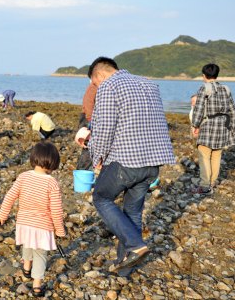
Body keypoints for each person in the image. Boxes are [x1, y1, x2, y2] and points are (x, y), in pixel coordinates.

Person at [88, 57, 175, 276]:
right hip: (153, 162)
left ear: (98, 75)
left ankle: (135, 246)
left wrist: (96, 156)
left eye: (94, 84)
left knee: (101, 197)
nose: (96, 88)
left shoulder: (109, 85)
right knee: (133, 213)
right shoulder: (149, 84)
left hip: (126, 161)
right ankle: (124, 268)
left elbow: (105, 127)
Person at [0, 141, 66, 297]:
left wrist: (2, 215)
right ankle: (36, 286)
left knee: (27, 244)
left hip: (24, 223)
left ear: (34, 158)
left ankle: (26, 268)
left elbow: (10, 196)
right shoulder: (52, 183)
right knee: (40, 255)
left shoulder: (23, 176)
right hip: (42, 226)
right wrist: (60, 230)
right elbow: (56, 211)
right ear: (54, 162)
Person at [190, 63, 235, 195]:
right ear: (217, 74)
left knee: (204, 155)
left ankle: (204, 186)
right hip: (222, 127)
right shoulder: (225, 89)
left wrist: (195, 125)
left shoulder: (204, 88)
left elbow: (198, 109)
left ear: (204, 75)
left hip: (208, 125)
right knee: (216, 156)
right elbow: (232, 110)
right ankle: (212, 183)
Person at [75, 83, 97, 170]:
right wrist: (91, 122)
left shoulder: (95, 86)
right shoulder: (94, 87)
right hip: (89, 120)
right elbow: (89, 105)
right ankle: (82, 173)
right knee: (88, 150)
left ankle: (83, 171)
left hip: (88, 119)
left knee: (89, 150)